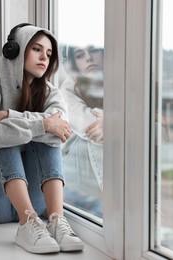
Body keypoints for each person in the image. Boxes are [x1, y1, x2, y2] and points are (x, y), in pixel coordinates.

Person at [0, 23, 84, 254]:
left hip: (38, 202)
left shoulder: (52, 95)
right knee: (4, 137)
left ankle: (56, 220)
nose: (44, 58)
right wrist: (43, 123)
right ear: (15, 51)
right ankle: (27, 222)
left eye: (48, 54)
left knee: (49, 136)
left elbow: (61, 132)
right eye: (36, 49)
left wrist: (5, 114)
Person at [59, 45, 104, 217]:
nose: (88, 58)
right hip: (73, 176)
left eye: (93, 51)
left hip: (95, 176)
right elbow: (90, 128)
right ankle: (118, 200)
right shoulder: (67, 91)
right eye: (80, 55)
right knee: (94, 136)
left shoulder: (118, 82)